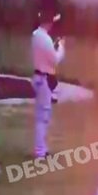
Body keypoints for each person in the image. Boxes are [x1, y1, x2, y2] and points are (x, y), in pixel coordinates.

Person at [31, 9, 65, 158]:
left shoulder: (36, 35)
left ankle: (41, 149)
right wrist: (61, 48)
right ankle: (40, 152)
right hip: (44, 78)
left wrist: (54, 45)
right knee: (43, 117)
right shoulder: (44, 38)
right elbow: (55, 60)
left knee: (41, 116)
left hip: (38, 76)